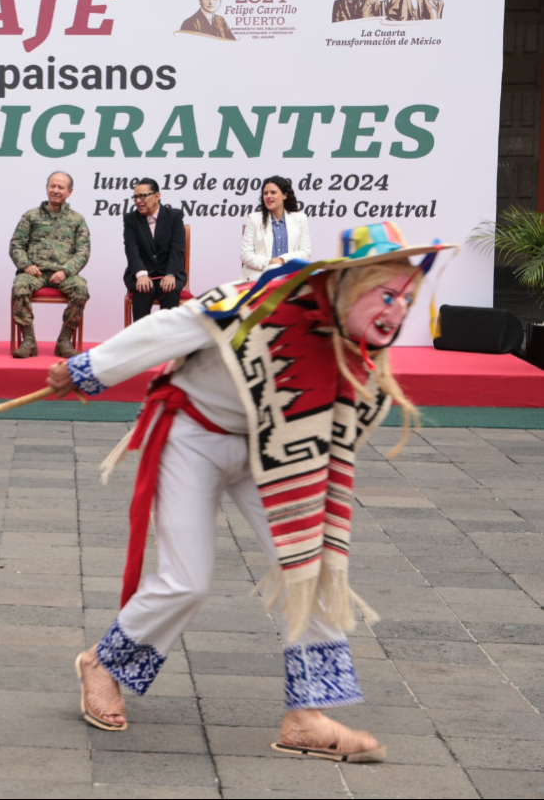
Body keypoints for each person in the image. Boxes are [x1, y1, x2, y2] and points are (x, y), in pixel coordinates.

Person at [51, 221, 452, 762]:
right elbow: (174, 326)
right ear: (351, 286)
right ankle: (103, 663)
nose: (397, 311)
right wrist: (86, 369)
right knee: (185, 582)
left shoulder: (355, 348)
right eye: (387, 295)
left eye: (406, 299)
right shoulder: (263, 301)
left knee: (312, 569)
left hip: (275, 451)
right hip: (193, 435)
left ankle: (305, 717)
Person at [9, 171, 90, 359]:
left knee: (81, 289)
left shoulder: (77, 220)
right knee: (20, 285)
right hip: (34, 272)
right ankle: (28, 340)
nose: (55, 190)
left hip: (64, 274)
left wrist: (66, 271)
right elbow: (16, 245)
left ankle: (64, 341)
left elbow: (83, 252)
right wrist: (26, 265)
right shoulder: (31, 216)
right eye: (52, 186)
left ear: (69, 191)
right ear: (46, 188)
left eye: (60, 187)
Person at [123, 179, 187, 323]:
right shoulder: (131, 219)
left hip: (169, 272)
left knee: (169, 290)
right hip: (141, 274)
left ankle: (168, 341)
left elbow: (177, 248)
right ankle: (142, 340)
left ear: (157, 196)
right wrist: (141, 274)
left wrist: (171, 274)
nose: (138, 201)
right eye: (135, 197)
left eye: (142, 196)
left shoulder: (174, 216)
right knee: (142, 290)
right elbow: (131, 249)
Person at [240, 176, 313, 282]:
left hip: (289, 279)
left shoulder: (300, 219)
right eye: (265, 193)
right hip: (258, 279)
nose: (268, 196)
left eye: (273, 192)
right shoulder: (254, 219)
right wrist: (270, 263)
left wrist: (282, 260)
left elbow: (305, 253)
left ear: (284, 195)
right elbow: (245, 254)